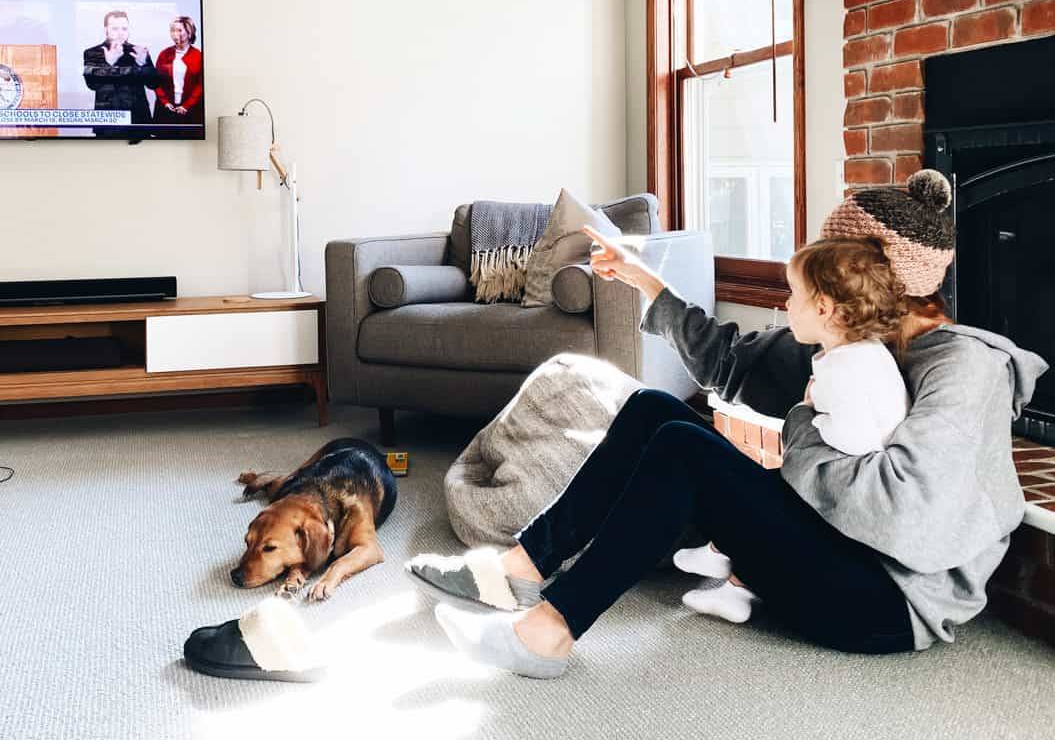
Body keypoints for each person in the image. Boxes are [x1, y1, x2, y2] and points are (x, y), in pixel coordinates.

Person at [406, 170, 1047, 678]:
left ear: (865, 276)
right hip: (837, 555)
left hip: (891, 600)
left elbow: (910, 517)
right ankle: (521, 566)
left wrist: (797, 430)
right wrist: (645, 283)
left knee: (685, 449)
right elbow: (731, 363)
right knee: (655, 409)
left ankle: (547, 635)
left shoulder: (964, 369)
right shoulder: (847, 339)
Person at [674, 236, 911, 625]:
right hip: (853, 489)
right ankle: (730, 576)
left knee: (773, 496)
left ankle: (726, 563)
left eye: (792, 294)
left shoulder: (845, 369)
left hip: (853, 501)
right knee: (773, 489)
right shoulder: (859, 354)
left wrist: (809, 414)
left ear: (823, 308)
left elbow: (849, 439)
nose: (785, 304)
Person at [82, 10, 159, 139]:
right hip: (109, 121)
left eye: (124, 28)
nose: (120, 33)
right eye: (115, 28)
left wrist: (142, 65)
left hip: (138, 119)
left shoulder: (138, 51)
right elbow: (92, 84)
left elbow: (154, 84)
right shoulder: (93, 52)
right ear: (106, 29)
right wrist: (109, 63)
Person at [153, 16, 203, 134]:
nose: (175, 34)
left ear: (189, 32)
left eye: (179, 30)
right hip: (166, 110)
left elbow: (201, 85)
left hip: (190, 110)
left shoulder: (198, 56)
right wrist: (165, 102)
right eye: (173, 30)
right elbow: (156, 81)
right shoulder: (164, 54)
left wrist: (186, 105)